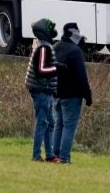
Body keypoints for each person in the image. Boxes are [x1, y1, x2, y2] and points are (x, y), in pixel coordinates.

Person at [53, 22, 93, 164]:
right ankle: (64, 158)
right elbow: (82, 76)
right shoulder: (75, 51)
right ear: (74, 33)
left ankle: (55, 155)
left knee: (59, 125)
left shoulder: (55, 47)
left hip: (57, 93)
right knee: (69, 127)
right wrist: (88, 96)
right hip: (72, 95)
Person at [25, 18, 60, 162]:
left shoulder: (45, 45)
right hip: (41, 90)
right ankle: (36, 155)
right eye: (50, 28)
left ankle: (50, 155)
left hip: (46, 90)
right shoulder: (44, 48)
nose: (53, 31)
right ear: (44, 31)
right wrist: (57, 68)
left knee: (50, 122)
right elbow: (41, 70)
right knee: (42, 122)